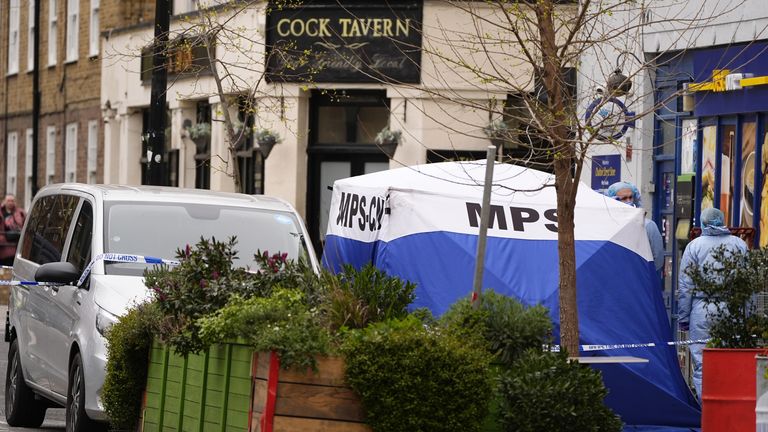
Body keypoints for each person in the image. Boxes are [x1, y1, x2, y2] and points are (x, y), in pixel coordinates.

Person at [677, 207, 748, 401]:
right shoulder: (739, 245)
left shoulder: (694, 247)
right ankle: (728, 406)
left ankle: (706, 409)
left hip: (702, 311)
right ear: (722, 221)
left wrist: (684, 318)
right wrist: (747, 316)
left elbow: (686, 286)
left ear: (703, 223)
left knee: (703, 363)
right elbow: (747, 286)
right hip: (732, 309)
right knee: (730, 360)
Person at [605, 181, 664, 274]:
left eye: (630, 197)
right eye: (624, 198)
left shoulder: (648, 226)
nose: (629, 201)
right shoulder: (607, 227)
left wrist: (644, 274)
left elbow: (658, 258)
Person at [0, 195, 25, 267]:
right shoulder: (1, 212)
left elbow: (23, 225)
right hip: (3, 244)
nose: (10, 203)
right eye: (8, 201)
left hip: (16, 243)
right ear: (4, 201)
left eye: (12, 201)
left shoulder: (20, 213)